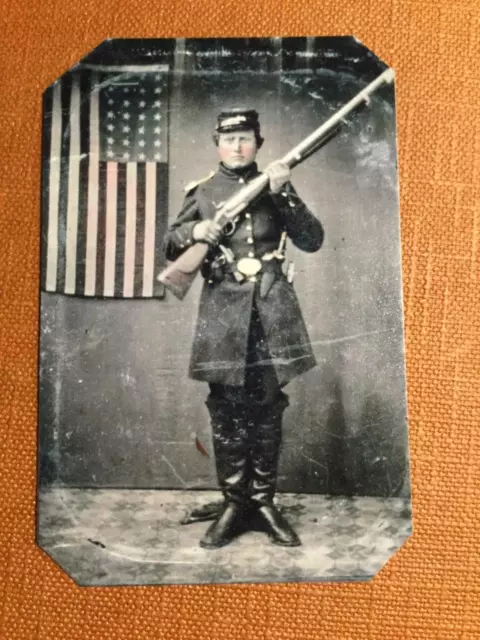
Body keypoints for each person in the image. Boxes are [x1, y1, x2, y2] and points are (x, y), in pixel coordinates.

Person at [163, 108, 324, 549]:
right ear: (218, 142)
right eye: (230, 138)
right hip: (223, 315)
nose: (238, 146)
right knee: (227, 408)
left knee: (269, 406)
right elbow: (170, 242)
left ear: (259, 142)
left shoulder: (275, 186)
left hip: (272, 310)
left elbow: (312, 239)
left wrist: (284, 190)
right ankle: (235, 504)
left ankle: (263, 502)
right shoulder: (203, 191)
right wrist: (199, 226)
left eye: (246, 138)